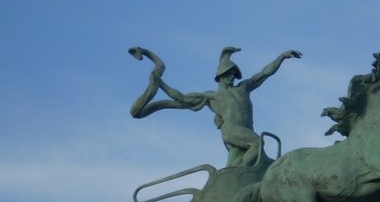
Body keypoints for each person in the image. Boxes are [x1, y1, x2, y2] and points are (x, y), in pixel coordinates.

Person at [129, 46, 302, 168]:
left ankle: (233, 174)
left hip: (245, 129)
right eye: (229, 74)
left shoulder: (243, 88)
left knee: (241, 159)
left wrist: (281, 57)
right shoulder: (211, 96)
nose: (232, 77)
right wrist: (161, 84)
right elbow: (180, 97)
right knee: (257, 143)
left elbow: (264, 73)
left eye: (234, 74)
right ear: (220, 76)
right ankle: (242, 173)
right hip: (231, 129)